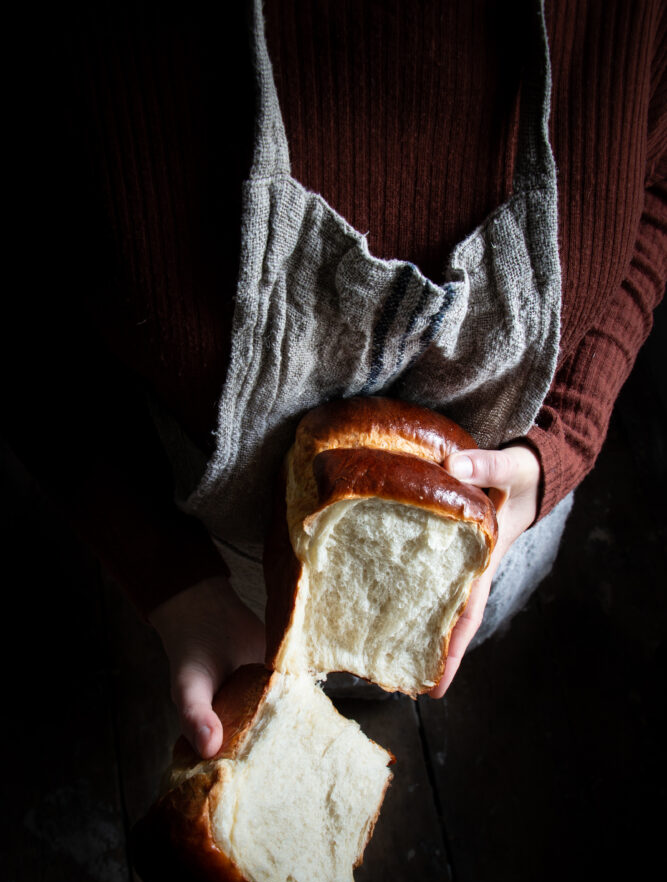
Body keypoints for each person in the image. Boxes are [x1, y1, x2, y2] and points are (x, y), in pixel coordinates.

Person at [7, 0, 666, 759]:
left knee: (407, 684)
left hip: (508, 527)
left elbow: (656, 180)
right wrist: (167, 579)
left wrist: (568, 435)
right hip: (217, 575)